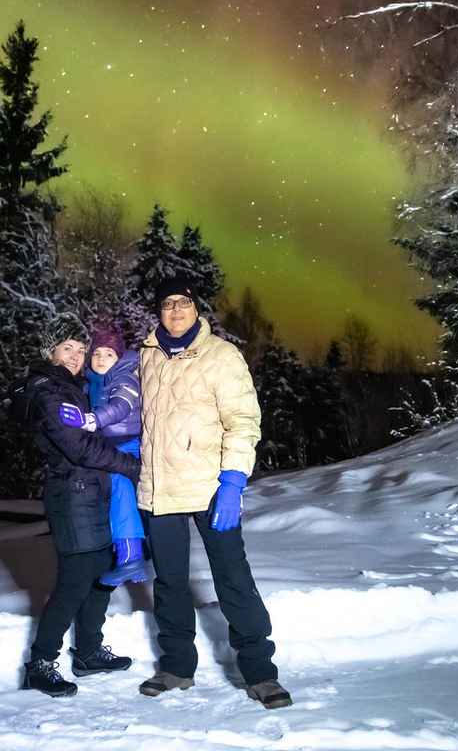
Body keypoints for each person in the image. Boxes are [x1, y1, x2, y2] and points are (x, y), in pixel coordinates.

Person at [134, 276, 293, 709]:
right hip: (159, 489)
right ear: (159, 311)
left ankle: (260, 673)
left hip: (210, 487)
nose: (176, 310)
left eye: (183, 302)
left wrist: (233, 481)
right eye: (167, 303)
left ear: (196, 308)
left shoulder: (222, 355)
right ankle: (176, 667)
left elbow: (243, 421)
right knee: (169, 582)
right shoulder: (147, 356)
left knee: (232, 578)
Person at [10, 318, 143, 698]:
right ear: (50, 350)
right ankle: (40, 664)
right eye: (67, 347)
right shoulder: (48, 390)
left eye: (80, 349)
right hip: (71, 493)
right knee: (75, 580)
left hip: (91, 491)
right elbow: (79, 446)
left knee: (100, 573)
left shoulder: (73, 386)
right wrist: (132, 465)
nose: (76, 355)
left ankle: (88, 652)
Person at [56, 325, 148, 586]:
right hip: (110, 446)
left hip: (127, 444)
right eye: (96, 353)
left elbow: (121, 406)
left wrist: (91, 419)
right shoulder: (93, 382)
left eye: (109, 354)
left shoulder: (124, 378)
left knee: (119, 486)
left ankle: (131, 556)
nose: (101, 359)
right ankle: (125, 555)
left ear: (119, 358)